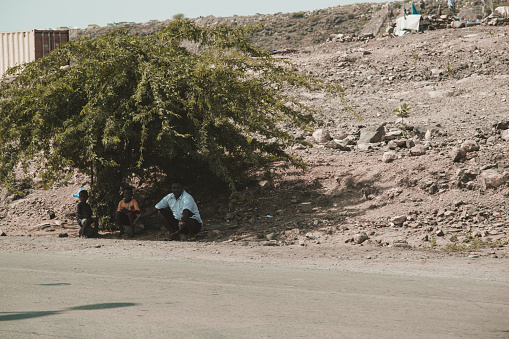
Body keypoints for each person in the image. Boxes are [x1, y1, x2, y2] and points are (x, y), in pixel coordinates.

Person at [134, 182, 202, 241]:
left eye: (178, 188)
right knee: (160, 212)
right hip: (179, 223)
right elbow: (155, 209)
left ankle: (191, 234)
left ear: (182, 188)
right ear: (171, 189)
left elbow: (185, 211)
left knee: (188, 215)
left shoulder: (187, 197)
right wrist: (140, 217)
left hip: (193, 225)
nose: (176, 190)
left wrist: (182, 221)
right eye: (174, 188)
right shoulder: (169, 197)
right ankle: (173, 234)